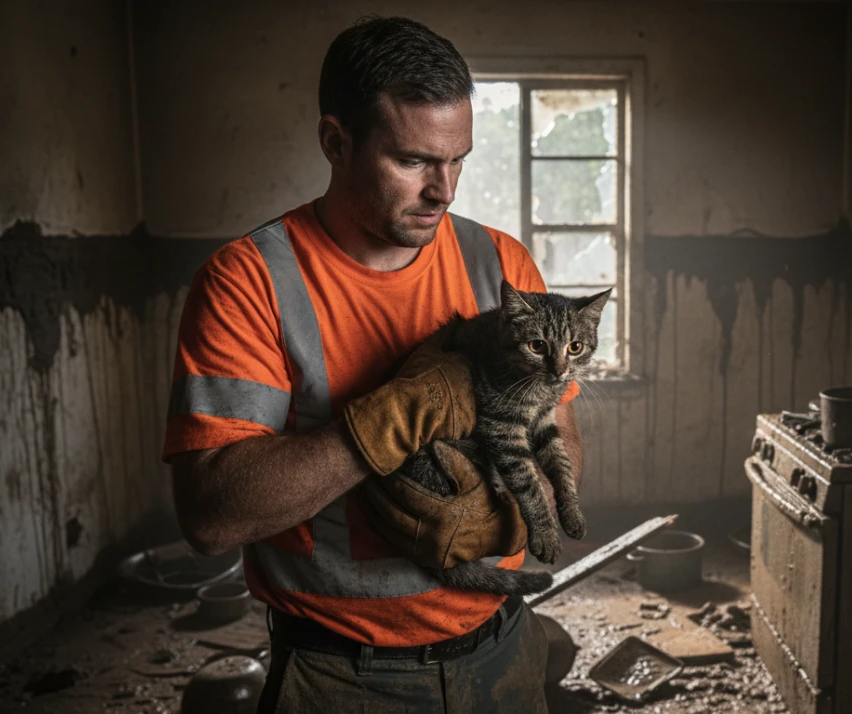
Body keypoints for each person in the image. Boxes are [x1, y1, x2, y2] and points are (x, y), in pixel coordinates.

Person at [162, 16, 582, 713]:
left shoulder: (500, 264)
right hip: (341, 677)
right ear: (336, 142)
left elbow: (559, 433)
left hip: (502, 649)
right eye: (414, 161)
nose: (444, 190)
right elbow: (209, 516)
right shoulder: (251, 281)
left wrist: (502, 510)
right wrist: (386, 424)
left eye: (459, 160)